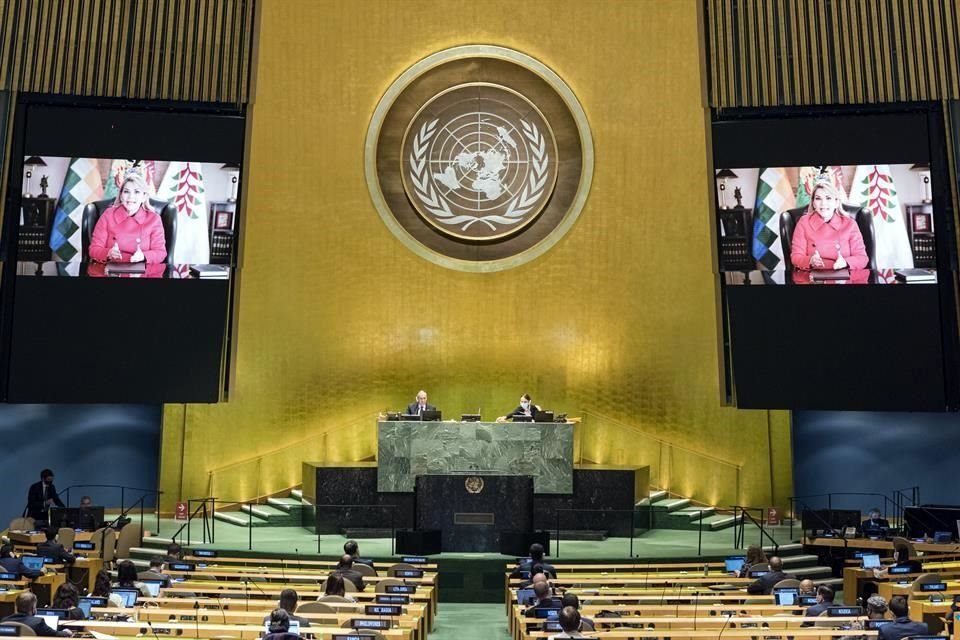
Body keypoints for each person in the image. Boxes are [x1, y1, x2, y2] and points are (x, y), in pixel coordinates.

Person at [88, 173, 167, 265]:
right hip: (111, 270)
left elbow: (160, 253)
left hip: (142, 271)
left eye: (137, 192)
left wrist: (143, 256)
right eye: (126, 192)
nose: (131, 197)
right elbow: (94, 250)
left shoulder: (154, 219)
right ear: (121, 195)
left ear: (144, 197)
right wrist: (108, 253)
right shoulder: (108, 215)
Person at [789, 180, 868, 272]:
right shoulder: (804, 222)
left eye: (828, 198)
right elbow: (796, 257)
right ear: (813, 203)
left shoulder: (850, 224)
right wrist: (810, 260)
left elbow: (862, 258)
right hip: (813, 278)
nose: (823, 203)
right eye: (818, 198)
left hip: (844, 277)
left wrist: (845, 262)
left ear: (836, 202)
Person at [2, 592, 73, 636]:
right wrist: (65, 632)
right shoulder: (38, 623)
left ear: (16, 606)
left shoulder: (4, 622)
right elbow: (56, 634)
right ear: (33, 608)